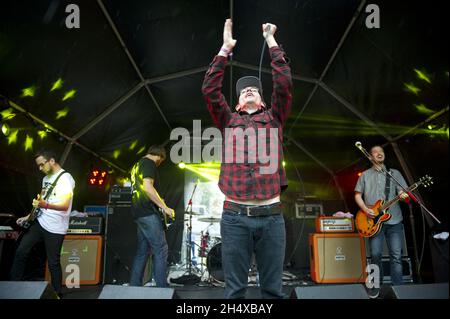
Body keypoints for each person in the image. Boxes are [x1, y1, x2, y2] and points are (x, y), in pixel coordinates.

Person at [202, 19, 292, 298]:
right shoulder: (228, 120)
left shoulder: (274, 118)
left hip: (272, 217)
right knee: (234, 290)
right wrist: (224, 50)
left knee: (273, 290)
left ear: (263, 102)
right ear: (238, 103)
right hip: (235, 217)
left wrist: (271, 41)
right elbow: (209, 90)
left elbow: (284, 84)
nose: (249, 89)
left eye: (254, 89)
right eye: (243, 90)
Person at [11, 149, 75, 297]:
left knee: (53, 262)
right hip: (40, 222)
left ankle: (57, 293)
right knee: (21, 251)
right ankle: (14, 286)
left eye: (41, 165)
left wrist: (44, 205)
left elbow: (65, 206)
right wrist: (28, 217)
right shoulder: (46, 179)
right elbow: (41, 202)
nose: (40, 168)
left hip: (56, 227)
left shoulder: (66, 179)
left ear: (51, 161)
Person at [355, 145, 409, 298]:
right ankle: (375, 287)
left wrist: (402, 194)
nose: (379, 154)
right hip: (372, 222)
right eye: (376, 152)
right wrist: (365, 209)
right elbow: (357, 195)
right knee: (376, 254)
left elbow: (401, 191)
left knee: (396, 256)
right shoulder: (365, 175)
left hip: (394, 220)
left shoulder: (394, 173)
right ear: (370, 157)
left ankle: (399, 289)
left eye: (382, 152)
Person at [129, 145, 175, 287]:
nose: (160, 163)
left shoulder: (136, 164)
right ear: (160, 157)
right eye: (161, 160)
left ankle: (134, 286)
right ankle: (162, 288)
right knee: (161, 249)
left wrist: (160, 201)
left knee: (143, 251)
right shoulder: (149, 163)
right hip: (147, 212)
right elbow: (147, 187)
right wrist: (164, 207)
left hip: (138, 212)